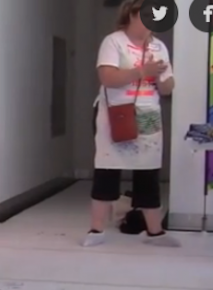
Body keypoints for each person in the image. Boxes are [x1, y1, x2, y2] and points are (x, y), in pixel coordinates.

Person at [83, 0, 177, 248]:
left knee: (148, 171)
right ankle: (96, 230)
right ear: (132, 14)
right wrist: (141, 71)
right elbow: (107, 77)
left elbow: (168, 87)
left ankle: (155, 232)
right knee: (107, 169)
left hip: (149, 114)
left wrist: (159, 77)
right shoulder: (114, 42)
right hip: (117, 112)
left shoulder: (158, 46)